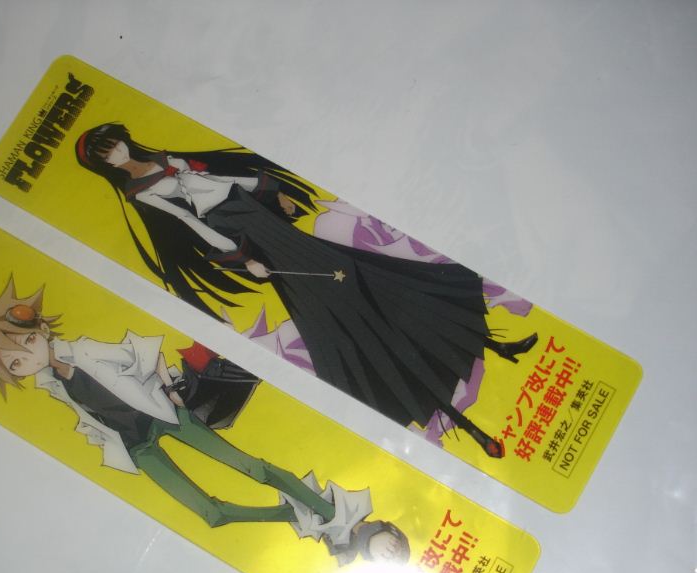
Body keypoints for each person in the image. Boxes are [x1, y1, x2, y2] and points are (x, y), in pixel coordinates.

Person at [75, 123, 539, 458]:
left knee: (371, 279)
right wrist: (242, 257)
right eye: (105, 154)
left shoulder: (166, 159)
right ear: (104, 165)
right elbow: (190, 223)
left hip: (258, 214)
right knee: (346, 313)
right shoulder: (141, 193)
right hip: (241, 233)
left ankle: (492, 344)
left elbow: (224, 180)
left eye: (113, 143)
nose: (115, 152)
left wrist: (270, 191)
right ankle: (462, 420)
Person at [0, 278, 409, 565]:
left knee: (252, 468)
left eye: (24, 346)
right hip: (136, 446)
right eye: (13, 364)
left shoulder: (85, 350)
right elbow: (88, 413)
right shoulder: (52, 385)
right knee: (211, 515)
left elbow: (141, 351)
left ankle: (334, 519)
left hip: (165, 415)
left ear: (41, 329)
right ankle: (292, 513)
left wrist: (170, 390)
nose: (24, 361)